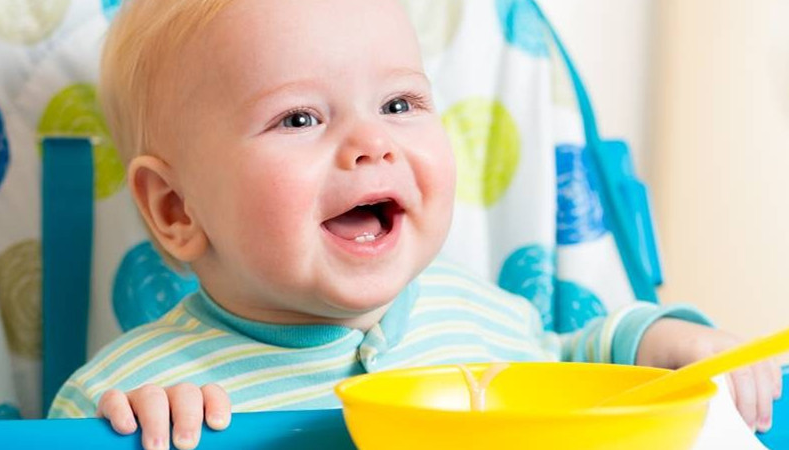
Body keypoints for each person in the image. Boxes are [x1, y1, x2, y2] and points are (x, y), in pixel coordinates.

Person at [48, 0, 782, 449]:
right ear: (176, 209)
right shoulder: (145, 396)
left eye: (399, 104)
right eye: (299, 117)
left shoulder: (478, 314)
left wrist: (662, 342)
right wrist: (127, 433)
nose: (374, 142)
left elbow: (575, 363)